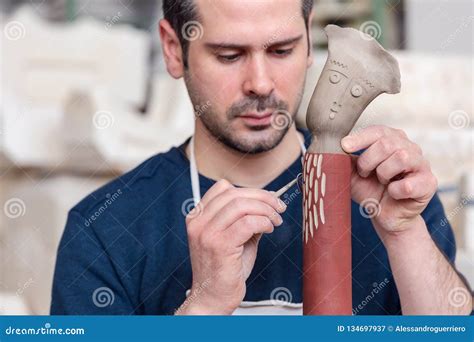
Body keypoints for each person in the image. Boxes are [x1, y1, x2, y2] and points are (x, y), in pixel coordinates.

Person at [51, 0, 472, 315]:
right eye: (229, 55)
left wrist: (404, 235)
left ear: (310, 38)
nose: (260, 83)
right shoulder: (104, 229)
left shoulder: (386, 194)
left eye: (282, 50)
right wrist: (204, 306)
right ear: (173, 50)